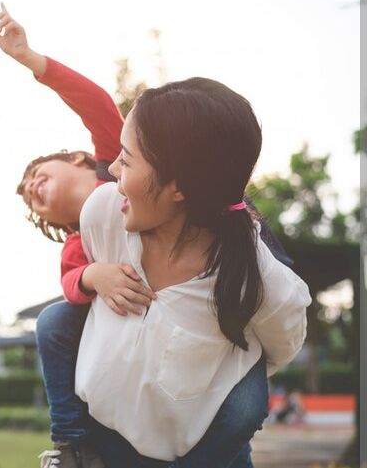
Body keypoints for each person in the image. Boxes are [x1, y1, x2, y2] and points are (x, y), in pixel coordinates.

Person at [0, 4, 297, 468]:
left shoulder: (119, 151)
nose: (34, 188)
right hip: (147, 350)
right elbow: (72, 282)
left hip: (230, 253)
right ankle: (72, 446)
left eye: (38, 174)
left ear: (75, 159)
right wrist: (94, 274)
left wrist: (32, 59)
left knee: (243, 401)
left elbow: (92, 99)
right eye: (33, 199)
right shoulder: (89, 231)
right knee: (54, 322)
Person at [74, 77, 312, 467]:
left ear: (179, 187)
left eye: (127, 159)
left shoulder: (263, 284)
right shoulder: (103, 216)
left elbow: (279, 348)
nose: (113, 170)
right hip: (100, 448)